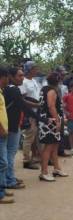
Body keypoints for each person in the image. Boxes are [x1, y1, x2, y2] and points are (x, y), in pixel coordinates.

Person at [3, 67, 48, 189]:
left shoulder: (8, 89)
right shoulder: (14, 90)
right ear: (11, 77)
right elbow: (25, 108)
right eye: (19, 76)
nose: (22, 78)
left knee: (7, 155)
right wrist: (43, 119)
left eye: (22, 75)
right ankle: (9, 180)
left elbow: (23, 103)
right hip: (11, 126)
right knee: (10, 155)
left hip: (10, 125)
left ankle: (8, 177)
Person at [39, 72, 68, 182]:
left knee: (55, 145)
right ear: (59, 81)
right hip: (50, 122)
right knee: (49, 146)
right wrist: (57, 120)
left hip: (48, 121)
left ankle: (56, 168)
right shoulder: (52, 91)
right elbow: (51, 106)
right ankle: (44, 172)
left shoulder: (44, 89)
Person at [19, 61, 41, 169]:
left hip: (36, 112)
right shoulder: (24, 82)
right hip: (29, 113)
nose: (37, 70)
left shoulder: (34, 81)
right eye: (35, 68)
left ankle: (35, 156)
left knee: (34, 136)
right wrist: (36, 105)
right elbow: (22, 100)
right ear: (30, 69)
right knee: (28, 137)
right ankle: (26, 160)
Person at [0, 66, 14, 204]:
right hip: (0, 133)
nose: (8, 80)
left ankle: (2, 189)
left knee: (2, 162)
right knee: (2, 162)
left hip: (3, 133)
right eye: (7, 77)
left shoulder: (1, 92)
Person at [56, 66, 71, 157]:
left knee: (61, 131)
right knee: (55, 132)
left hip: (61, 110)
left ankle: (60, 150)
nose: (63, 76)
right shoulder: (51, 85)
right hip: (54, 111)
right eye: (62, 74)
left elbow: (65, 100)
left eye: (64, 74)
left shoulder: (63, 85)